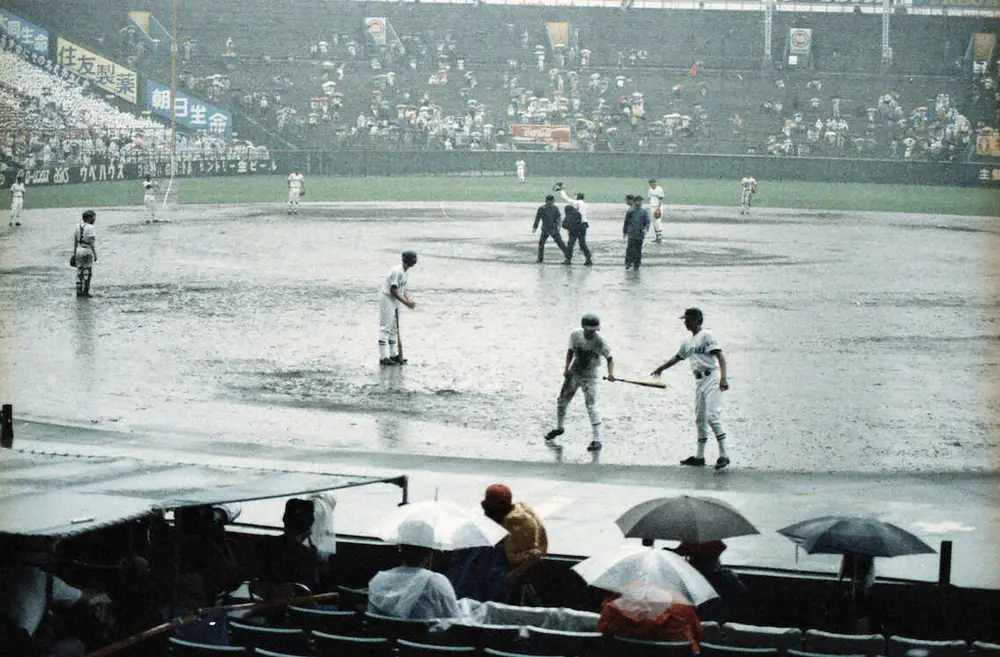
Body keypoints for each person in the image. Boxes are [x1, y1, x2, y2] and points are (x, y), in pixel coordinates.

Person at [650, 308, 731, 469]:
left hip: (712, 378)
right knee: (700, 418)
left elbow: (720, 356)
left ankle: (724, 455)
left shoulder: (707, 335)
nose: (685, 322)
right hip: (699, 382)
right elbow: (677, 357)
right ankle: (699, 457)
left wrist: (723, 378)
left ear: (698, 320)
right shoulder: (688, 341)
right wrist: (661, 368)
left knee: (712, 416)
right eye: (685, 320)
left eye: (688, 320)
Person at [544, 314, 615, 452]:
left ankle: (597, 440)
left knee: (591, 405)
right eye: (589, 330)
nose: (591, 332)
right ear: (583, 328)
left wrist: (611, 373)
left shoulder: (600, 341)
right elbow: (570, 351)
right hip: (575, 371)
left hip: (590, 375)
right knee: (562, 401)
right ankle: (559, 428)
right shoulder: (575, 335)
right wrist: (566, 368)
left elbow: (610, 358)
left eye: (593, 330)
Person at [367, 520, 460, 620]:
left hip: (383, 635)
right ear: (429, 552)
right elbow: (455, 619)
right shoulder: (436, 582)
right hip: (422, 635)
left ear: (400, 548)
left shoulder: (378, 581)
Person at [479, 484, 549, 605]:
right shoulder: (491, 545)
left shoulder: (493, 545)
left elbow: (500, 583)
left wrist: (526, 564)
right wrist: (528, 563)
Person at [675, 540, 747, 623]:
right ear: (715, 558)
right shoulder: (727, 577)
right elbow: (740, 595)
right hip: (716, 629)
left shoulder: (681, 578)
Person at [378, 250, 417, 366]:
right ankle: (384, 356)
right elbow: (393, 291)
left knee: (394, 327)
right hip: (387, 298)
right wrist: (406, 303)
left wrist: (408, 299)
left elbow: (402, 289)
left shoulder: (406, 272)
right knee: (385, 327)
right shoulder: (397, 272)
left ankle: (393, 354)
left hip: (395, 300)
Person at [558, 183, 592, 266]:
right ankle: (588, 259)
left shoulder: (575, 203)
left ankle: (568, 259)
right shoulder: (585, 205)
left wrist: (562, 189)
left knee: (571, 243)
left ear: (577, 197)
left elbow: (565, 198)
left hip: (575, 226)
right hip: (583, 225)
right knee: (582, 243)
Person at [532, 194, 569, 263]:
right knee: (542, 244)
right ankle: (540, 258)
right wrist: (535, 227)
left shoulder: (550, 208)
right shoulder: (544, 208)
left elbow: (558, 218)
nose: (553, 202)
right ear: (549, 201)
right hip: (549, 229)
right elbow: (537, 218)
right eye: (552, 201)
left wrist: (559, 226)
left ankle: (568, 256)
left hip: (551, 229)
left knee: (560, 243)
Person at [73, 210, 98, 298]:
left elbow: (75, 242)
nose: (94, 219)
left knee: (79, 270)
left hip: (79, 250)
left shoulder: (77, 226)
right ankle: (86, 291)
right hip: (87, 250)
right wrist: (95, 254)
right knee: (87, 271)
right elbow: (91, 242)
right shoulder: (90, 228)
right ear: (89, 218)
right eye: (93, 217)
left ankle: (79, 290)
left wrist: (74, 253)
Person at [623, 195, 650, 271]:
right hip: (632, 233)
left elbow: (647, 222)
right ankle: (628, 263)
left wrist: (646, 229)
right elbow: (626, 222)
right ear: (634, 202)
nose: (639, 202)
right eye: (638, 201)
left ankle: (637, 264)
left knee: (638, 249)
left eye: (640, 201)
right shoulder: (630, 211)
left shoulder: (644, 212)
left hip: (640, 234)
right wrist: (625, 232)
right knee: (630, 249)